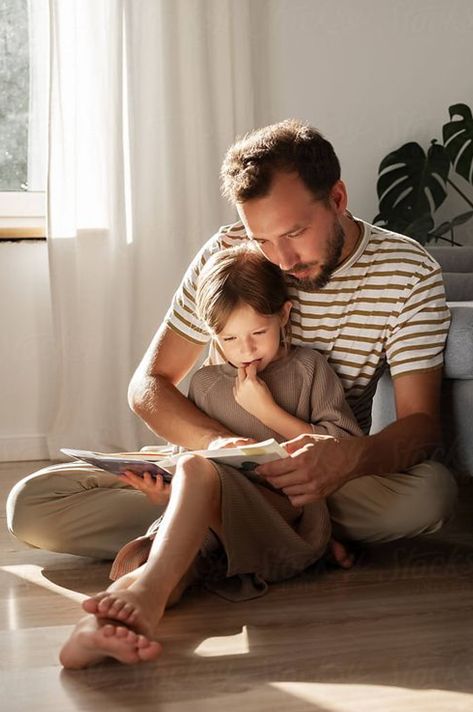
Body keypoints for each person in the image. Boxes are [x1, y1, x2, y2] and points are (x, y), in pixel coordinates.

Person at [7, 119, 457, 559]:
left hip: (316, 477)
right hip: (214, 466)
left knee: (428, 496)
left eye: (294, 233)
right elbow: (149, 386)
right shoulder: (227, 254)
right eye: (262, 239)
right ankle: (287, 534)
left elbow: (420, 424)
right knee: (32, 504)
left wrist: (349, 459)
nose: (281, 260)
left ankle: (199, 532)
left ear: (337, 198)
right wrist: (220, 447)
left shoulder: (407, 272)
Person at [59, 245, 362, 668]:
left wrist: (267, 412)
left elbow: (342, 444)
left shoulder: (309, 369)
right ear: (212, 335)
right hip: (215, 523)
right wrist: (162, 495)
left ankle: (145, 600)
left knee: (194, 474)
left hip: (284, 512)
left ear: (284, 315)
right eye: (229, 339)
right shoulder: (203, 384)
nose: (245, 350)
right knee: (167, 560)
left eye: (258, 333)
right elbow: (193, 474)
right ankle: (92, 631)